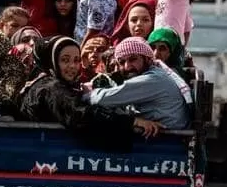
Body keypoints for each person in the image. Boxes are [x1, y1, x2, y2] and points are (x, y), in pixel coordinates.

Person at [17, 36, 163, 142]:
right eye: (65, 60)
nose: (73, 66)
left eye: (76, 60)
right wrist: (131, 122)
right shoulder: (50, 88)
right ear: (52, 61)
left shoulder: (51, 84)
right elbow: (81, 114)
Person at [83, 36, 192, 130]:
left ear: (148, 60)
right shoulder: (154, 74)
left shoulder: (153, 79)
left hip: (168, 143)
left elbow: (102, 99)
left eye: (133, 59)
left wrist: (85, 95)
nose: (127, 66)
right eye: (122, 62)